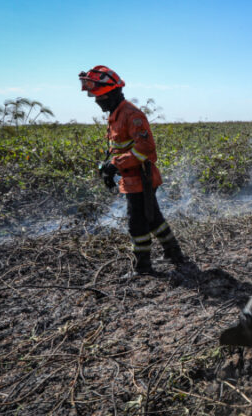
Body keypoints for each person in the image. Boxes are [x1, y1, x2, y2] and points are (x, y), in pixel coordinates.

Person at [79, 65, 186, 276]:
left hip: (142, 178)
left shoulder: (131, 115)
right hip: (130, 179)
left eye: (99, 96)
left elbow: (146, 149)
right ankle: (174, 253)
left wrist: (115, 164)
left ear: (110, 94)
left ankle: (143, 267)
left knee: (136, 224)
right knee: (153, 217)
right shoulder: (116, 115)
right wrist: (108, 170)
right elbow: (120, 148)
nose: (96, 100)